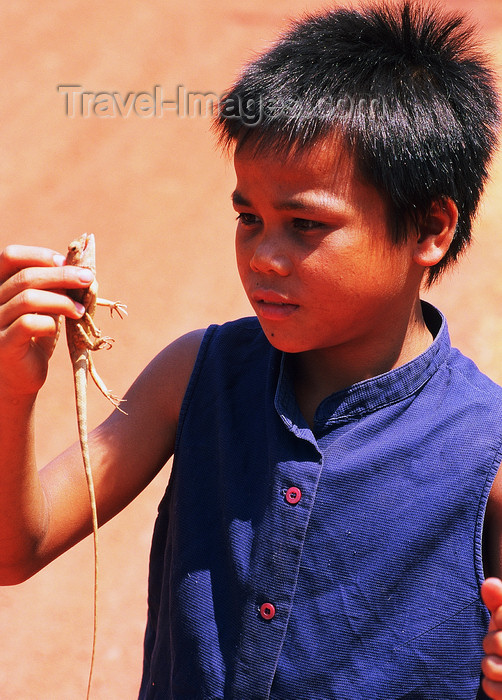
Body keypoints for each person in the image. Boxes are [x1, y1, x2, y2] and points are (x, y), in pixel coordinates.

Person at [1, 1, 502, 698]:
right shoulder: (193, 376)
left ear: (430, 228)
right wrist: (13, 391)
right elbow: (17, 547)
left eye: (305, 224)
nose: (264, 255)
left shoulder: (488, 451)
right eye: (248, 218)